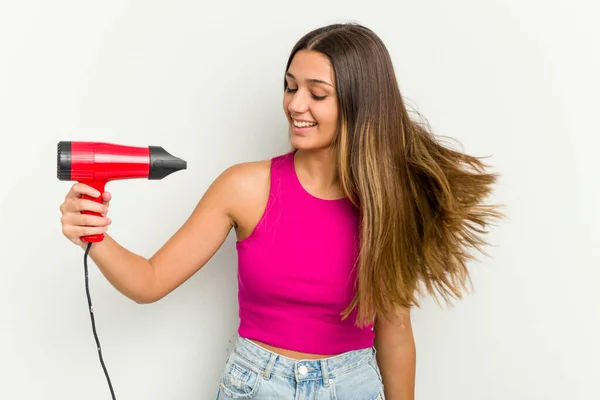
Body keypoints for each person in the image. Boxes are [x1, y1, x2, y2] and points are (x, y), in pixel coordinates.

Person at [59, 23, 501, 400]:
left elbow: (396, 332)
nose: (295, 105)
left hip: (353, 385)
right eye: (290, 86)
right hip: (256, 383)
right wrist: (92, 235)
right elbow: (149, 282)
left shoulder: (387, 202)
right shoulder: (244, 187)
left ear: (359, 102)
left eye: (317, 93)